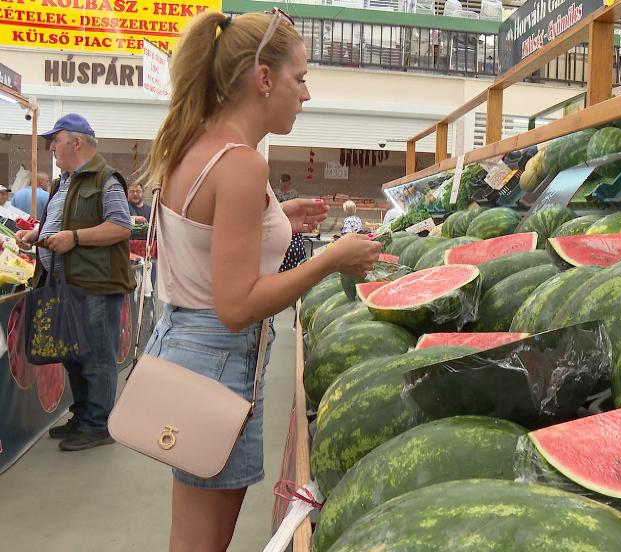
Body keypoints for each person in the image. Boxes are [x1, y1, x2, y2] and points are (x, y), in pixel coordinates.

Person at [138, 11, 380, 550]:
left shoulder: (194, 146)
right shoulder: (242, 165)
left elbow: (207, 240)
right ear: (263, 79)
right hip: (221, 360)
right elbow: (238, 304)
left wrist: (277, 220)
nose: (306, 94)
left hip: (186, 349)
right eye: (300, 78)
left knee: (191, 535)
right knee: (205, 542)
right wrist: (330, 260)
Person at [14, 113, 135, 452]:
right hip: (64, 283)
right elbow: (60, 223)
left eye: (56, 140)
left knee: (97, 357)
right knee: (73, 354)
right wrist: (37, 235)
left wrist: (75, 238)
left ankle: (98, 425)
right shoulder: (63, 181)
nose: (51, 147)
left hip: (94, 284)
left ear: (77, 142)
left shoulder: (105, 180)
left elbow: (121, 227)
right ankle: (83, 417)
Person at [274, 173, 307, 272]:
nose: (284, 185)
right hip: (278, 224)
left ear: (289, 183)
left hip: (292, 225)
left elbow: (297, 209)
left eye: (286, 183)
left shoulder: (294, 194)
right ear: (280, 182)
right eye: (282, 182)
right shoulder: (275, 192)